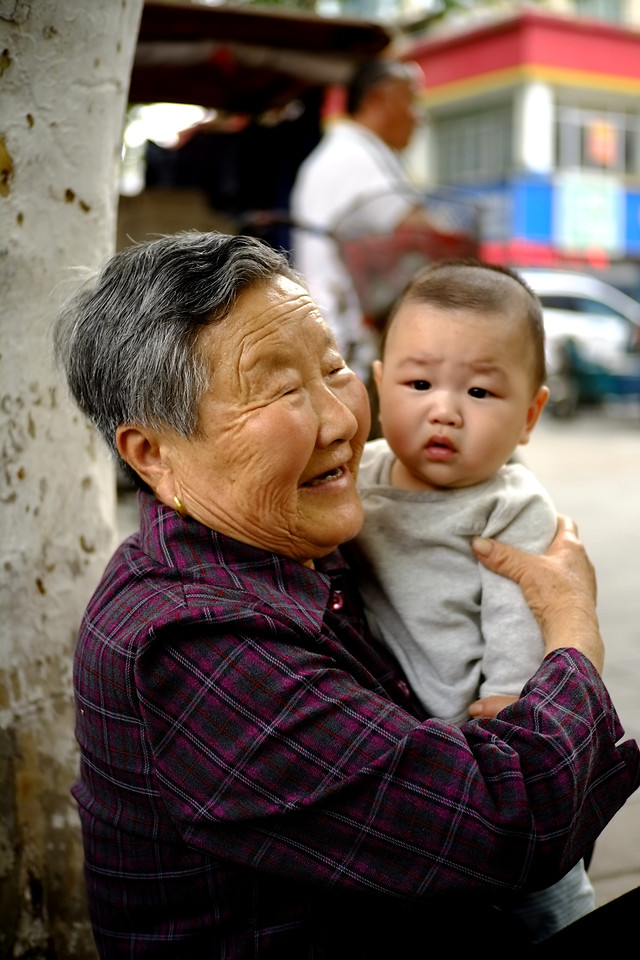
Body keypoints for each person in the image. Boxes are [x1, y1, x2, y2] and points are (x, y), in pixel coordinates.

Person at [53, 231, 639, 958]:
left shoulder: (286, 542)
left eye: (333, 368)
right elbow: (506, 822)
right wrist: (571, 632)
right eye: (280, 390)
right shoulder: (194, 646)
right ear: (153, 454)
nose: (340, 420)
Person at [345, 260, 596, 940]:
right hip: (401, 738)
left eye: (481, 391)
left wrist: (516, 703)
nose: (444, 409)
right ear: (377, 383)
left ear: (530, 415)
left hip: (480, 738)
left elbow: (520, 620)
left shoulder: (511, 509)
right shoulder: (356, 481)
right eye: (418, 383)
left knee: (547, 899)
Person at [290, 58, 433, 381]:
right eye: (410, 99)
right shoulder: (354, 156)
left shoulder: (352, 151)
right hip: (348, 345)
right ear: (376, 101)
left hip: (338, 337)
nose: (418, 115)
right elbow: (421, 230)